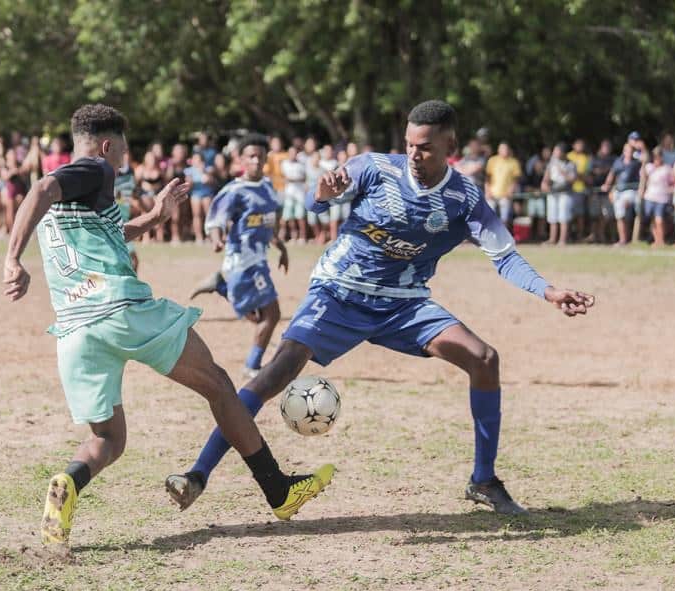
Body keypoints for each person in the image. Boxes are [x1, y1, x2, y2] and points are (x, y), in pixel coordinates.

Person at [166, 100, 595, 516]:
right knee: (272, 376)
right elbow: (324, 198)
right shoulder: (376, 166)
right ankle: (199, 473)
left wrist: (548, 290)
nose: (413, 153)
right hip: (338, 291)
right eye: (409, 143)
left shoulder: (464, 197)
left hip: (403, 304)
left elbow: (504, 255)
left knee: (484, 359)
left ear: (450, 145)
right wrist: (321, 194)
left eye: (424, 146)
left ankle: (483, 481)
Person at [1, 104, 334, 550]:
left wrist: (156, 217)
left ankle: (69, 480)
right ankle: (279, 490)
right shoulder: (95, 170)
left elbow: (109, 232)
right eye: (122, 150)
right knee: (218, 384)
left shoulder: (75, 200)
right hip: (120, 310)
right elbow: (42, 187)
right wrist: (12, 257)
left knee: (108, 439)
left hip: (74, 328)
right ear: (105, 145)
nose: (123, 159)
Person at [189, 133, 289, 378]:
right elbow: (215, 220)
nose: (256, 160)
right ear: (242, 159)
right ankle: (252, 366)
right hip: (243, 260)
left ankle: (222, 286)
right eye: (251, 156)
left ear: (266, 158)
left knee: (259, 316)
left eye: (260, 156)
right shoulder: (234, 190)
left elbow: (268, 223)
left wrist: (282, 247)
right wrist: (216, 238)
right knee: (271, 315)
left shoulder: (267, 187)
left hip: (259, 259)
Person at [602, 143, 642, 246]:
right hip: (618, 191)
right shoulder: (618, 162)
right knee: (620, 216)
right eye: (626, 150)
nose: (628, 153)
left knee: (624, 208)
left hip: (631, 191)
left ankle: (628, 238)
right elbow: (612, 174)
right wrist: (607, 185)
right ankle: (622, 239)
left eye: (630, 151)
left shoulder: (637, 163)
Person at [541, 143, 576, 245]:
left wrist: (563, 172)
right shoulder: (552, 163)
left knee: (563, 217)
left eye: (557, 151)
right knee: (552, 217)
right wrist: (544, 184)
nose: (555, 153)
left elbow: (573, 179)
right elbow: (546, 176)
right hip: (552, 193)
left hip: (565, 193)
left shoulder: (570, 164)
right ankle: (552, 239)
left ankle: (562, 240)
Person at [640, 146, 674, 247]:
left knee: (659, 220)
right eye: (655, 157)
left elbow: (673, 181)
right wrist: (643, 162)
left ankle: (662, 240)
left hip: (662, 198)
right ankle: (657, 240)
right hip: (649, 197)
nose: (657, 159)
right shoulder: (649, 167)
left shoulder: (667, 169)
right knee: (652, 220)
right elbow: (643, 176)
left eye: (658, 157)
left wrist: (670, 189)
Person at [485, 142, 521, 229]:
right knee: (489, 217)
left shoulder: (514, 162)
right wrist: (487, 191)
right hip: (492, 193)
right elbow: (487, 178)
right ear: (498, 150)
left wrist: (510, 191)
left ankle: (503, 237)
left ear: (509, 150)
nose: (504, 150)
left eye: (506, 149)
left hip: (506, 194)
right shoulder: (492, 160)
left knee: (504, 218)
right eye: (502, 149)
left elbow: (516, 180)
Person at [588, 140, 616, 243]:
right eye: (605, 146)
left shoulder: (613, 159)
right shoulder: (594, 159)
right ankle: (595, 236)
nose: (607, 149)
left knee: (608, 215)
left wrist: (601, 171)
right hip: (595, 191)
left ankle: (601, 233)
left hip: (608, 191)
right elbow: (590, 174)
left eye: (609, 147)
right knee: (594, 216)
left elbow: (614, 172)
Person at [280, 140, 307, 241]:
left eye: (294, 153)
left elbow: (304, 178)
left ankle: (302, 236)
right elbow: (283, 177)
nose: (293, 155)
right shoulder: (284, 164)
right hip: (289, 193)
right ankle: (293, 235)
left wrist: (293, 179)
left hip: (300, 194)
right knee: (289, 217)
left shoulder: (301, 164)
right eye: (291, 153)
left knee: (300, 216)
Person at [184, 152, 214, 243]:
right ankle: (199, 237)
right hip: (195, 194)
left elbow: (211, 181)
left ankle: (209, 236)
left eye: (199, 159)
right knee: (197, 216)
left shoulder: (208, 169)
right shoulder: (189, 171)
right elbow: (188, 185)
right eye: (195, 159)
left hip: (207, 194)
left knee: (208, 216)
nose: (197, 161)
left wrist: (203, 171)